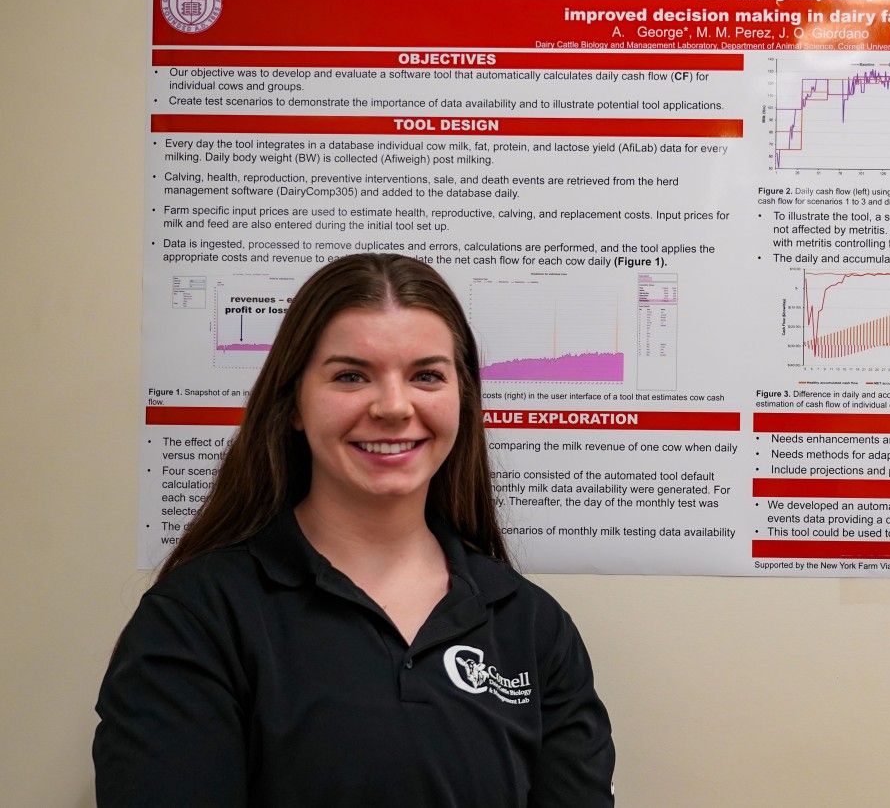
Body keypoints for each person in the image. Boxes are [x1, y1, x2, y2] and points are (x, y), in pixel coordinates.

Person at [95, 253, 615, 807]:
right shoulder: (199, 617)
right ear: (294, 402)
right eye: (350, 376)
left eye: (426, 375)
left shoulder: (532, 628)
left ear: (462, 398)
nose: (394, 407)